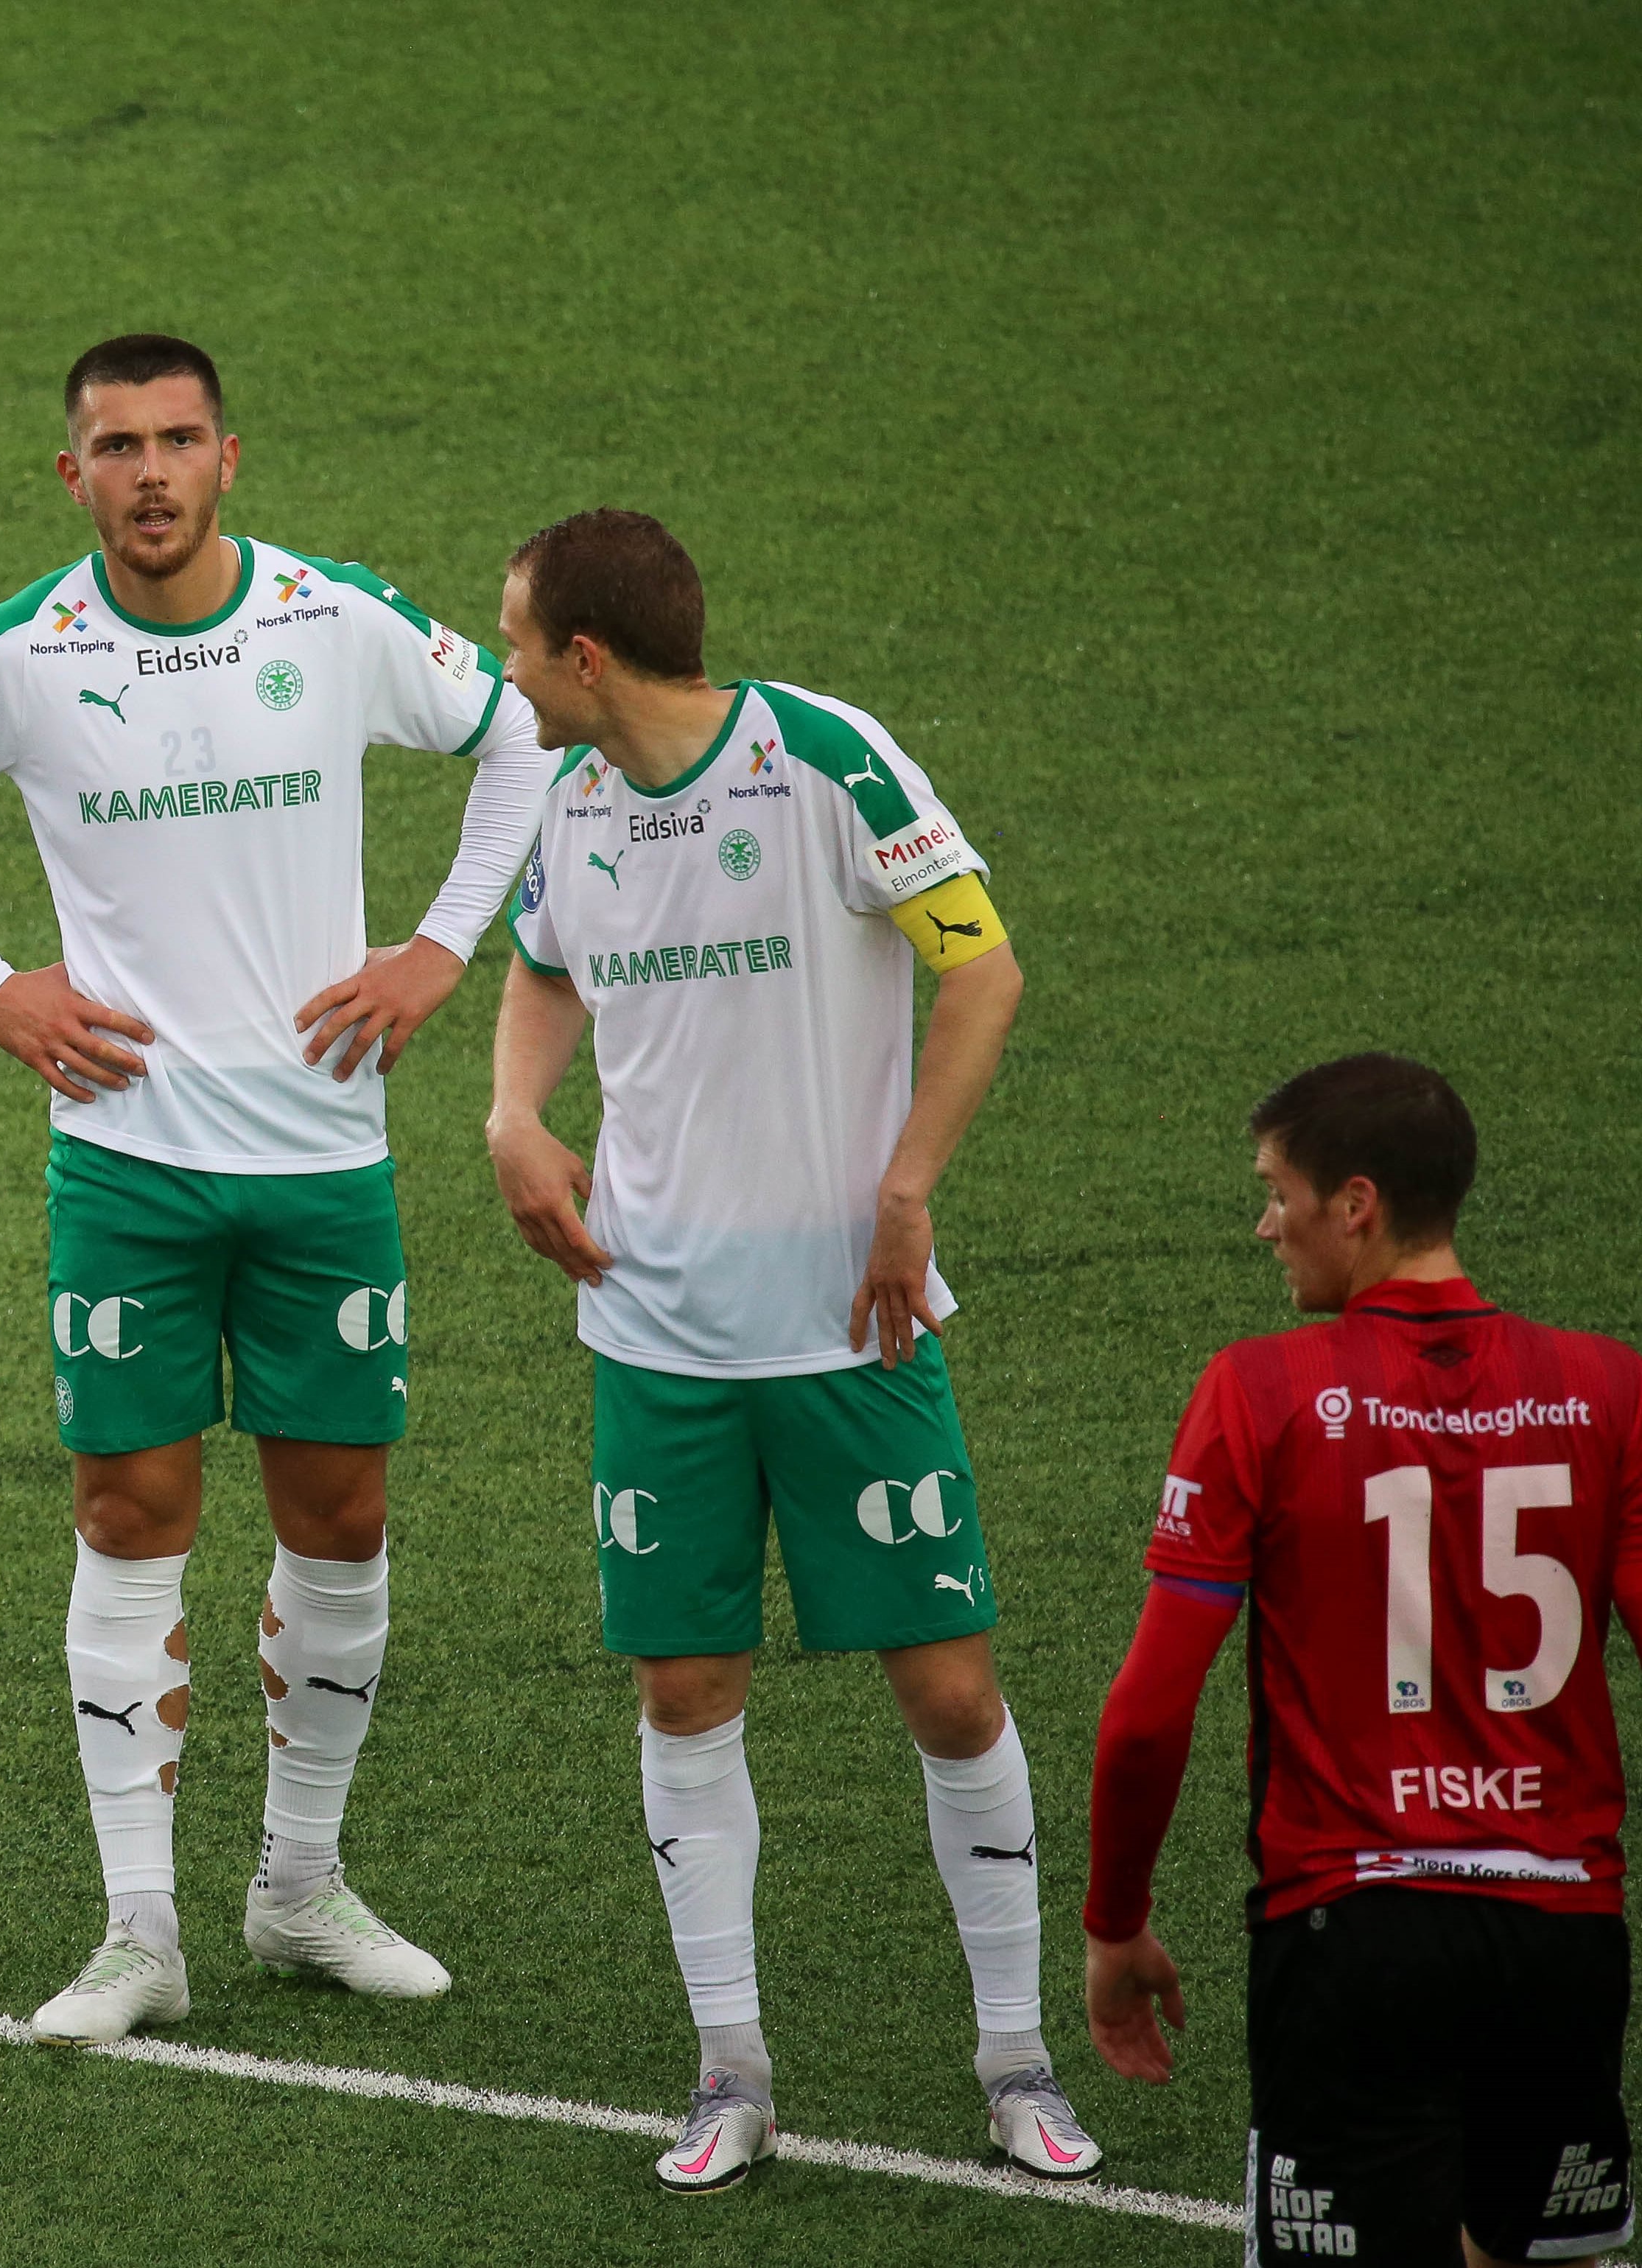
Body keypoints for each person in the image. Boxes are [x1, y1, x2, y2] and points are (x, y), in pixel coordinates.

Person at [0, 332, 551, 2043]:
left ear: (232, 458)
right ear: (69, 476)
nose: (148, 473)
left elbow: (516, 739)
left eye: (176, 441)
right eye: (114, 447)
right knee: (128, 1517)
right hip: (128, 1166)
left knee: (342, 1517)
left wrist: (443, 949)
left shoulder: (333, 619)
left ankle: (298, 1889)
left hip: (320, 1161)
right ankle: (139, 1929)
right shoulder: (18, 655)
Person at [483, 507, 1087, 2188]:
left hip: (851, 1326)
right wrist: (514, 1113)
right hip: (657, 1335)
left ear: (585, 656)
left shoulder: (821, 759)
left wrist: (908, 1190)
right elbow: (540, 974)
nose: (503, 664)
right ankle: (730, 2068)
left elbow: (984, 969)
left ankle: (1016, 2056)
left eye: (518, 637)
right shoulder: (574, 805)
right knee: (686, 1689)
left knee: (951, 1689)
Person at [1087, 1054, 1642, 2265]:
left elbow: (1146, 1713)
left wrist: (1116, 1917)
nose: (1264, 1222)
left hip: (1354, 1932)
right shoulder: (1611, 1389)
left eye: (1277, 1191)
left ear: (1357, 1204)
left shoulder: (1259, 1390)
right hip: (1562, 1931)